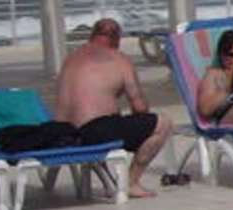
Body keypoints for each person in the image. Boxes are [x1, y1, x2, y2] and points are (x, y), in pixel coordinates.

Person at [53, 18, 174, 197]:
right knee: (163, 123)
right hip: (92, 133)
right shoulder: (119, 59)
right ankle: (131, 183)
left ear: (92, 35)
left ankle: (110, 178)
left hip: (60, 132)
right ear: (116, 38)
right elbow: (140, 107)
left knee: (113, 122)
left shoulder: (71, 58)